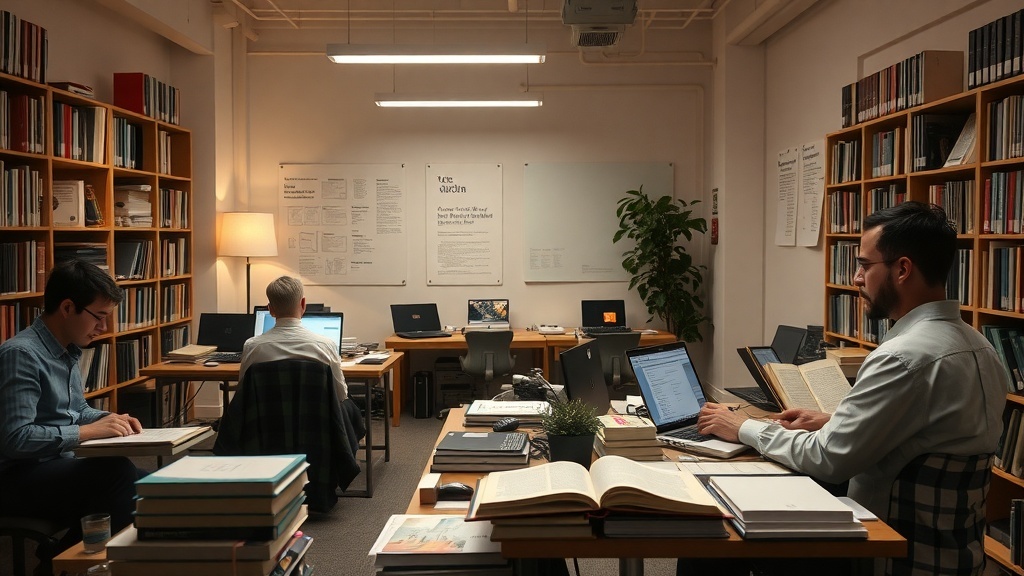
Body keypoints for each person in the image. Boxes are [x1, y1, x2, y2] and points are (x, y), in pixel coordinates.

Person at [689, 202, 1007, 575]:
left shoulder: (903, 358)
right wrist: (834, 421)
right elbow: (926, 438)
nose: (856, 277)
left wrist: (741, 427)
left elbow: (828, 459)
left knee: (711, 537)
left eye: (865, 265)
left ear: (902, 269)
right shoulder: (981, 347)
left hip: (884, 553)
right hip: (952, 555)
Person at [0, 259, 143, 553]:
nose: (104, 327)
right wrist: (86, 432)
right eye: (99, 317)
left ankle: (62, 558)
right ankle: (68, 564)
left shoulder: (67, 350)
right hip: (14, 478)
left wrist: (110, 419)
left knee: (151, 486)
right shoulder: (21, 354)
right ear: (67, 308)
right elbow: (16, 439)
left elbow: (76, 411)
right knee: (116, 475)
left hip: (54, 466)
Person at [238, 275, 347, 401]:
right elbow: (341, 395)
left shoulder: (252, 347)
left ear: (270, 309)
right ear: (303, 304)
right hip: (314, 419)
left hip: (266, 419)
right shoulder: (326, 346)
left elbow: (243, 394)